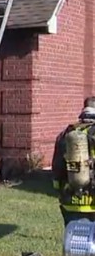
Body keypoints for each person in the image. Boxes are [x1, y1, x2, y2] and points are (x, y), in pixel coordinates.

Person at [52, 97, 95, 227]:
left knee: (73, 239)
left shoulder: (66, 133)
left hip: (69, 200)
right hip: (92, 200)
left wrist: (58, 189)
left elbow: (57, 166)